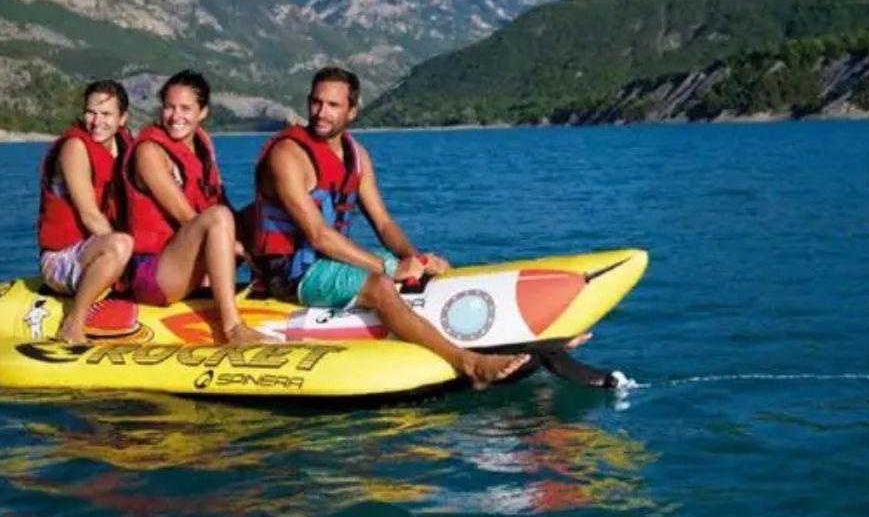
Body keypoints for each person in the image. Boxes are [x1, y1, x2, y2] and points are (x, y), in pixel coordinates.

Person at [251, 67, 593, 389]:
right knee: (381, 284)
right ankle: (469, 363)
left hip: (329, 261)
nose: (321, 113)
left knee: (427, 272)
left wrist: (415, 259)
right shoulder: (288, 155)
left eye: (333, 105)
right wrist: (389, 268)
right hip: (292, 272)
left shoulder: (357, 156)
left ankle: (528, 339)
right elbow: (318, 235)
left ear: (352, 111)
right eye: (316, 102)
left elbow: (383, 223)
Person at [123, 69, 267, 344]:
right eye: (169, 107)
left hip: (188, 263)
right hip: (153, 274)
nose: (175, 116)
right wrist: (239, 248)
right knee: (218, 218)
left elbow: (222, 202)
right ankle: (233, 328)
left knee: (261, 212)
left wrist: (256, 236)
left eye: (185, 108)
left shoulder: (202, 146)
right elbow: (187, 217)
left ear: (203, 112)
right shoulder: (149, 152)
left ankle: (281, 285)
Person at [37, 80, 135, 344]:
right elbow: (89, 214)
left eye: (106, 114)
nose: (97, 122)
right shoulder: (75, 147)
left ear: (122, 118)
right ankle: (74, 323)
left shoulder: (126, 147)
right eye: (91, 112)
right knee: (121, 244)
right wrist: (129, 260)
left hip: (99, 247)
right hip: (62, 258)